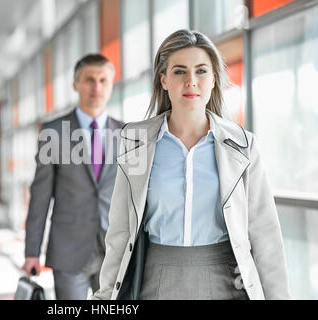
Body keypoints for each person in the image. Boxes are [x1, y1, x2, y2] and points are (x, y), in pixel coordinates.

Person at [91, 29, 291, 300]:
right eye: (179, 72)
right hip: (156, 280)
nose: (191, 82)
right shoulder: (135, 142)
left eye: (201, 71)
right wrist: (105, 298)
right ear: (163, 80)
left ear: (213, 79)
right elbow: (120, 231)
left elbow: (265, 234)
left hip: (226, 282)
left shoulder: (243, 146)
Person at [23, 53, 124, 300]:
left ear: (111, 85)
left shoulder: (127, 133)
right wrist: (31, 252)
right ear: (75, 84)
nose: (96, 87)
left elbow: (137, 195)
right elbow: (40, 196)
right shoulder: (53, 132)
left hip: (114, 250)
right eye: (89, 80)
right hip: (68, 249)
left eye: (103, 80)